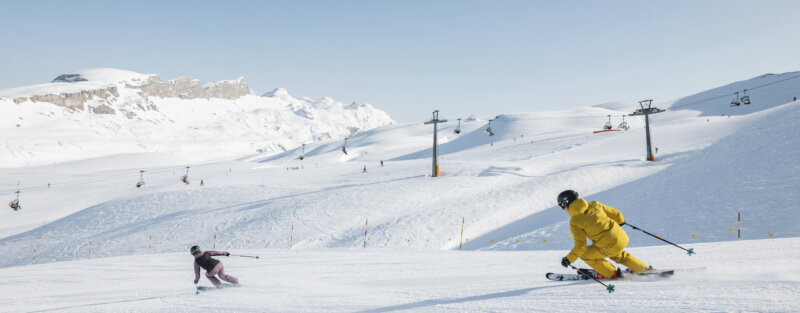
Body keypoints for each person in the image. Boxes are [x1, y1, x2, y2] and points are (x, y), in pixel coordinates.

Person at [557, 190, 648, 279]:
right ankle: (643, 269)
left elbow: (581, 246)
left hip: (608, 245)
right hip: (622, 238)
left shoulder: (575, 222)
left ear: (566, 204)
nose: (565, 210)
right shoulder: (594, 204)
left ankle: (612, 273)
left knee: (584, 255)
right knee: (618, 254)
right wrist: (621, 221)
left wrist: (568, 259)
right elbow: (616, 213)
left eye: (563, 207)